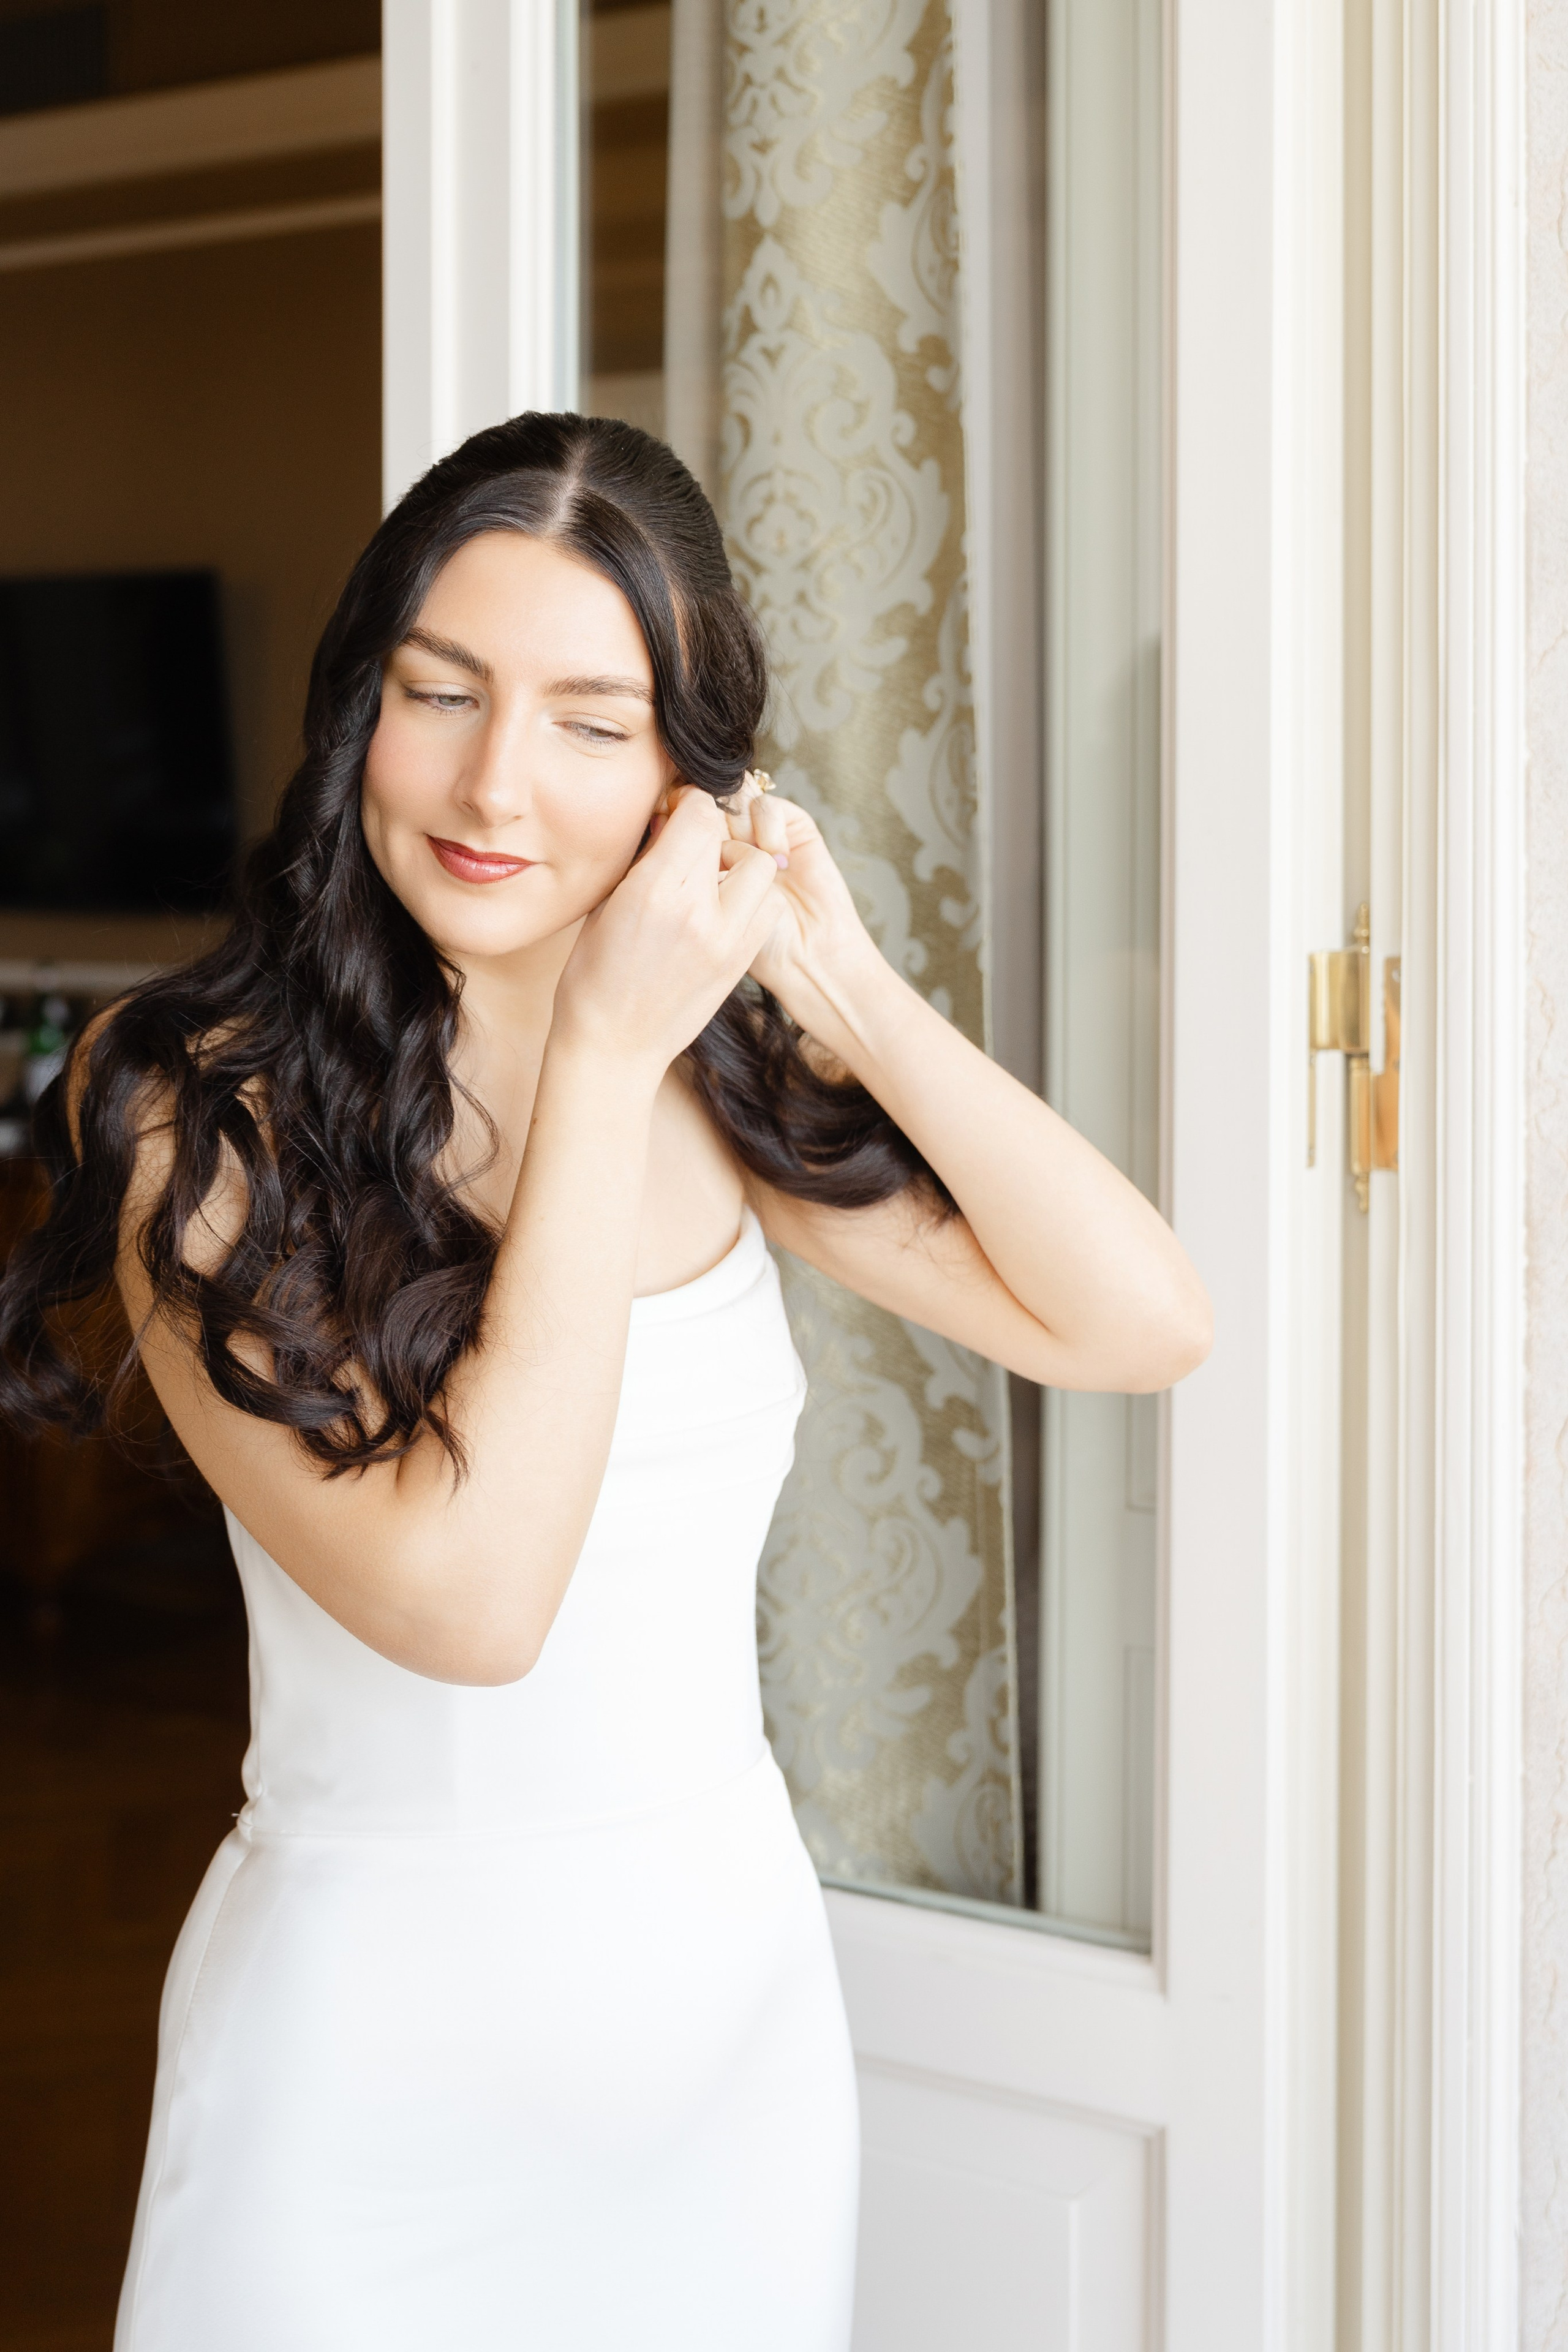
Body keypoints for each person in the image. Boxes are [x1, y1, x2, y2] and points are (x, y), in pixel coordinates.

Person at [0, 412, 1211, 2350]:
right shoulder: (185, 1099)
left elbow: (1143, 1321)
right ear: (355, 713)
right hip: (358, 2068)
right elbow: (473, 1605)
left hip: (714, 2040)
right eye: (440, 691)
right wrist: (592, 1064)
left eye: (591, 718)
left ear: (685, 778)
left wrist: (847, 984)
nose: (496, 782)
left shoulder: (719, 1086)